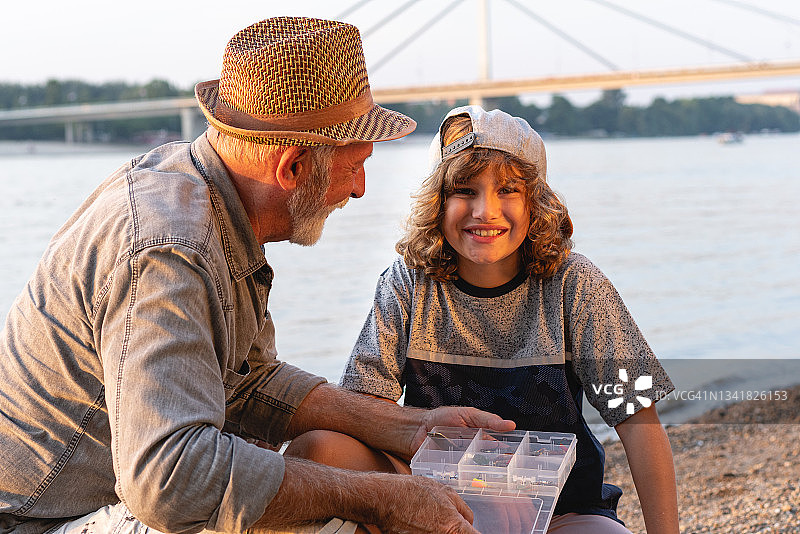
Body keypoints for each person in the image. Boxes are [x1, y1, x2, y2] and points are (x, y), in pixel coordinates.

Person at [0, 19, 516, 534]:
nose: (359, 189)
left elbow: (248, 382)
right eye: (355, 165)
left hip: (100, 497)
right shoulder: (171, 250)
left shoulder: (210, 201)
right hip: (38, 521)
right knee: (319, 506)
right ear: (292, 168)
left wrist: (413, 426)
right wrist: (378, 498)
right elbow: (170, 479)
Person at [301, 106, 680, 533]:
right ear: (437, 203)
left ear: (536, 203)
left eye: (508, 190)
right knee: (319, 449)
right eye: (464, 190)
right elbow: (366, 412)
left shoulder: (576, 284)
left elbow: (637, 420)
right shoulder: (407, 283)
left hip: (559, 511)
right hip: (431, 504)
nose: (486, 211)